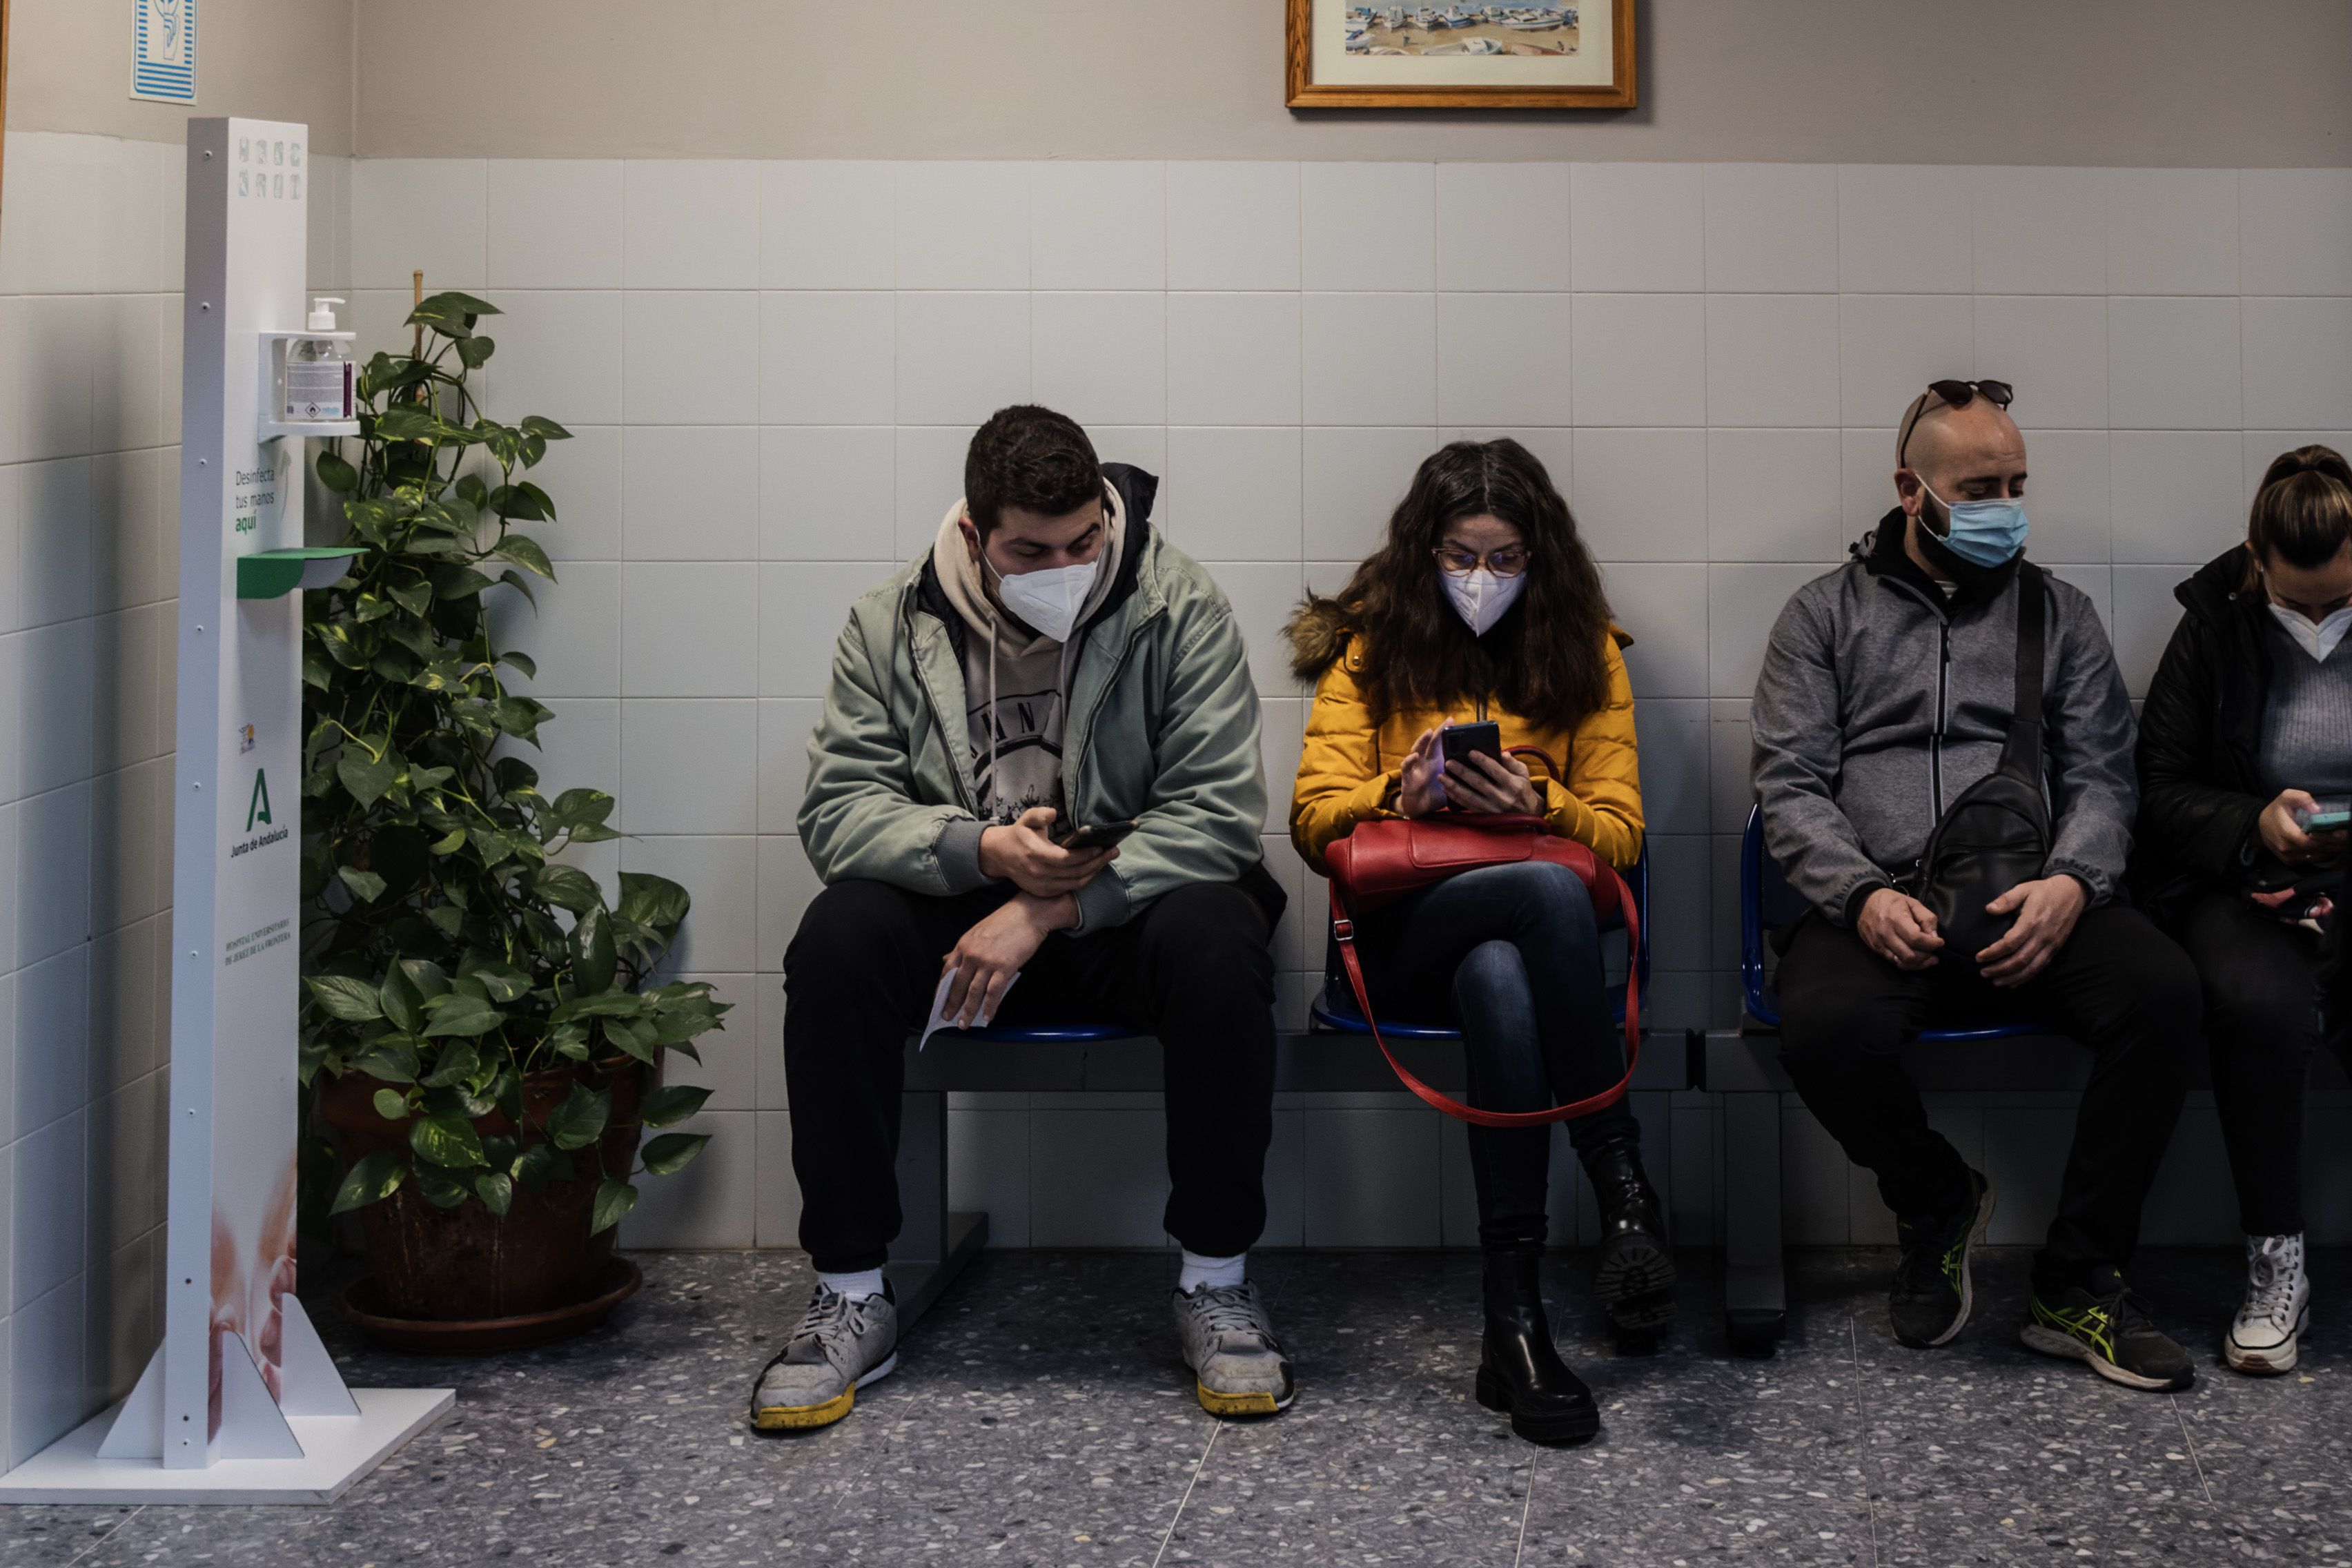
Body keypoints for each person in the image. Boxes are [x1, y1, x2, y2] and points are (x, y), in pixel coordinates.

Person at [756, 405, 1292, 1431]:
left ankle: (1216, 1283)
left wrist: (1052, 908)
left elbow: (1219, 815)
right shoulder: (890, 619)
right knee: (835, 942)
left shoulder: (1176, 604)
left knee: (1222, 936)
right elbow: (837, 812)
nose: (1067, 564)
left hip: (1120, 913)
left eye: (1085, 540)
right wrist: (985, 853)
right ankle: (852, 1296)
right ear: (972, 534)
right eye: (1031, 551)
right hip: (961, 912)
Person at [1752, 379, 2202, 1392]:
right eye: (1981, 486)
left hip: (2029, 899)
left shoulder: (2063, 614)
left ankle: (2078, 1282)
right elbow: (1788, 784)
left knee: (2164, 995)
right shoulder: (1821, 615)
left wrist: (2075, 884)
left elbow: (2103, 774)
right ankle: (1937, 1198)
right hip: (1882, 906)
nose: (2006, 504)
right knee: (1821, 1031)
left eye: (2018, 483)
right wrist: (1861, 895)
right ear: (1912, 490)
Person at [1288, 439, 1663, 1447]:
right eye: (1461, 555)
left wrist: (1547, 802)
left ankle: (1516, 1322)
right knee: (1537, 890)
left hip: (1523, 950)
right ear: (1424, 550)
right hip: (1404, 931)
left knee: (1505, 968)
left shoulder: (1590, 653)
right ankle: (1621, 1177)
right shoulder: (1368, 649)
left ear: (1541, 559)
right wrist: (1393, 796)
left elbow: (1623, 837)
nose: (1482, 579)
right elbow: (1312, 822)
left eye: (1505, 559)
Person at [2133, 445, 2352, 1375]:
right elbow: (2161, 789)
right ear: (2257, 561)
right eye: (2297, 603)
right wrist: (2255, 824)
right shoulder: (2213, 626)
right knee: (2255, 1008)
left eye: (2337, 603)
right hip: (2243, 877)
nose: (2317, 620)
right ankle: (2275, 1263)